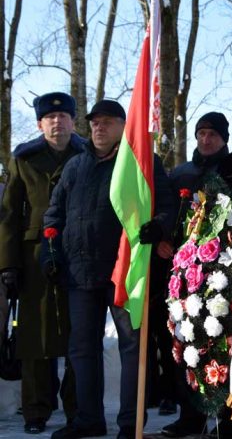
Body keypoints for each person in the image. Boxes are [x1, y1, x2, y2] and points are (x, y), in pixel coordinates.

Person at [44, 99, 174, 439]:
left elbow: (165, 203)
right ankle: (88, 419)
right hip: (79, 270)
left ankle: (131, 425)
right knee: (82, 348)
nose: (98, 127)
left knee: (132, 347)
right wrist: (51, 251)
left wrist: (159, 227)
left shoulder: (141, 162)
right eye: (94, 122)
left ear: (122, 126)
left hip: (123, 272)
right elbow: (54, 214)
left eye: (107, 122)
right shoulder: (75, 167)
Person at [0, 92, 83, 434]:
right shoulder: (24, 158)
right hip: (34, 254)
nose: (56, 122)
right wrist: (8, 265)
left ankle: (78, 407)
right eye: (49, 118)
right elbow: (8, 214)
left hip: (77, 251)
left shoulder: (87, 154)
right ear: (39, 123)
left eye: (63, 117)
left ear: (73, 122)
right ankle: (36, 410)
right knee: (33, 336)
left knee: (79, 331)